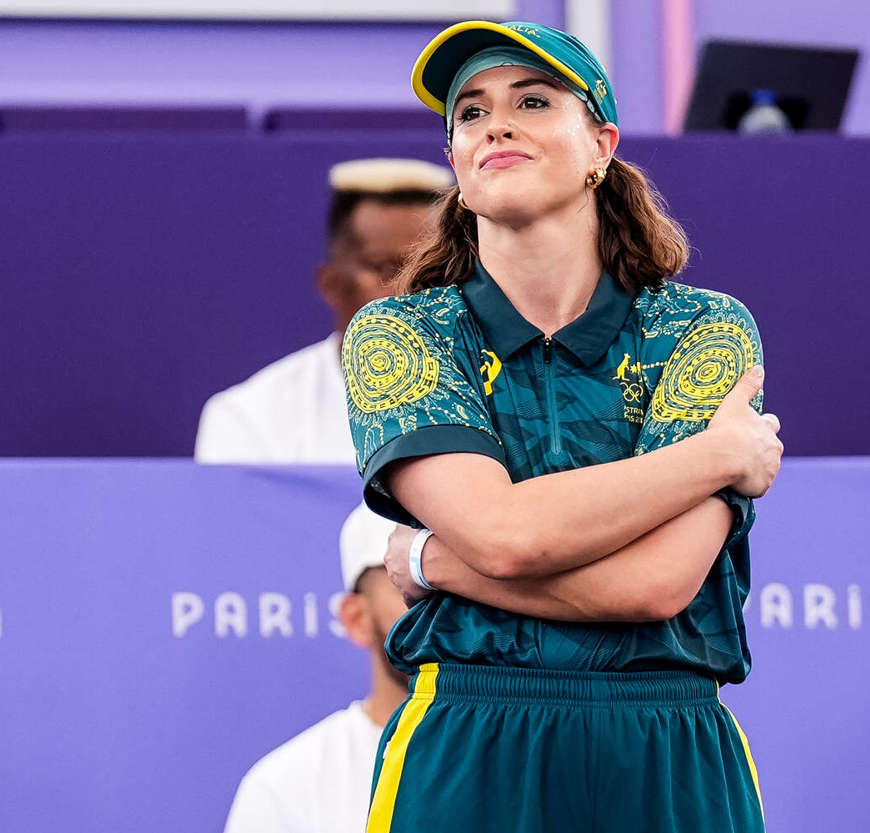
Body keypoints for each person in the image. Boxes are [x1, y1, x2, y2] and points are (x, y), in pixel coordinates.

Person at [341, 20, 782, 833]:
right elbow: (506, 536)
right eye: (469, 114)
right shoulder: (399, 334)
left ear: (600, 147)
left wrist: (434, 562)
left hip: (670, 742)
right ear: (458, 166)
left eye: (533, 101)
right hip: (470, 736)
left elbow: (657, 585)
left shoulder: (706, 329)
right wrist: (718, 455)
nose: (495, 124)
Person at [195, 158, 452, 463]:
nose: (410, 288)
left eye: (431, 268)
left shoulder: (503, 402)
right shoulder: (250, 418)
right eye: (386, 269)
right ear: (331, 284)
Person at [223, 505, 409, 833]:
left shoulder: (525, 756)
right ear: (356, 619)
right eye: (412, 587)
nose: (445, 610)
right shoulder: (285, 789)